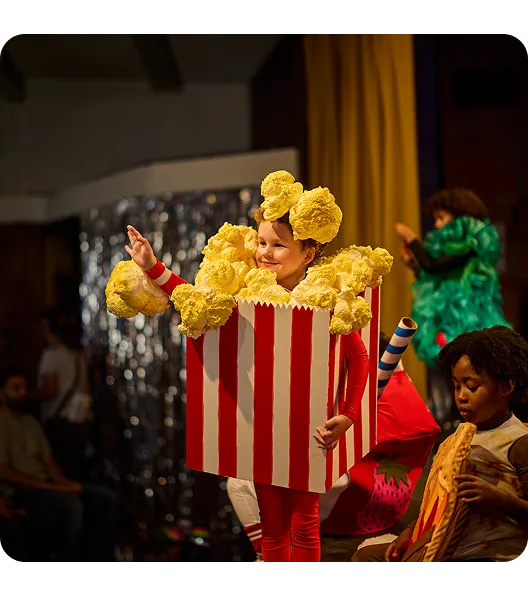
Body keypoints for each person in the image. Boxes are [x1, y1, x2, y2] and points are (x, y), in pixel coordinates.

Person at [123, 174, 375, 563]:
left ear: (308, 254)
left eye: (279, 245)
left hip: (307, 430)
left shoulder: (324, 300)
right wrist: (153, 266)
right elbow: (193, 299)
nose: (266, 253)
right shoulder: (243, 297)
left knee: (303, 522)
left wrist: (349, 414)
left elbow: (358, 356)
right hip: (259, 428)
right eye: (261, 242)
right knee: (272, 525)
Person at [227, 331, 440, 560]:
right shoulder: (386, 380)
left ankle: (269, 552)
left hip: (354, 488)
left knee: (243, 483)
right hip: (377, 500)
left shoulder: (366, 379)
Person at [351, 325, 528, 565]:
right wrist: (409, 533)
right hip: (444, 545)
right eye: (456, 386)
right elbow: (439, 502)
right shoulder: (458, 437)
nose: (461, 396)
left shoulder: (518, 442)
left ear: (506, 387)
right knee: (365, 558)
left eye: (472, 386)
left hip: (489, 555)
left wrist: (500, 499)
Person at [395, 188, 511, 430]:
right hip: (445, 315)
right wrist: (415, 266)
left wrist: (412, 238)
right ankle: (445, 421)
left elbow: (436, 266)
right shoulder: (448, 245)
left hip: (466, 315)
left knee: (466, 364)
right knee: (442, 366)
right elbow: (435, 274)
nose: (438, 225)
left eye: (441, 217)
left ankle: (466, 420)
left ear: (459, 214)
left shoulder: (471, 239)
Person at [0, 366, 118, 567]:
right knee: (72, 506)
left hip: (45, 484)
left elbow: (48, 461)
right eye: (15, 388)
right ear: (2, 392)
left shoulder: (30, 421)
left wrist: (64, 483)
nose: (23, 393)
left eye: (25, 388)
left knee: (103, 497)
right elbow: (5, 472)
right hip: (21, 490)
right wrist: (52, 488)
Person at [36, 308, 94, 482]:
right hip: (79, 421)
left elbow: (50, 390)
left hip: (59, 422)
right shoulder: (79, 355)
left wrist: (29, 396)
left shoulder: (51, 355)